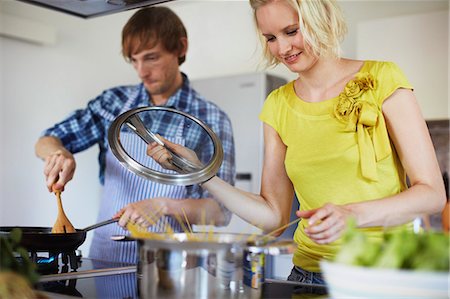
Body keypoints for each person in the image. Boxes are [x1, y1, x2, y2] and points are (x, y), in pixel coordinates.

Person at [143, 0, 446, 285]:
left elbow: (432, 194)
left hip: (386, 274)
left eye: (291, 31)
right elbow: (272, 215)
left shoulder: (383, 78)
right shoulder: (278, 105)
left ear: (321, 19)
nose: (282, 48)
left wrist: (353, 215)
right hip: (308, 275)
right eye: (270, 37)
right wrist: (200, 172)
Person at [35, 6, 236, 264]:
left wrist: (164, 206)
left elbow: (220, 211)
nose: (142, 71)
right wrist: (59, 154)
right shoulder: (112, 103)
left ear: (181, 48)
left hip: (173, 265)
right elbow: (47, 139)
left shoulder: (210, 119)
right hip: (106, 257)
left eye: (151, 58)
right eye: (134, 60)